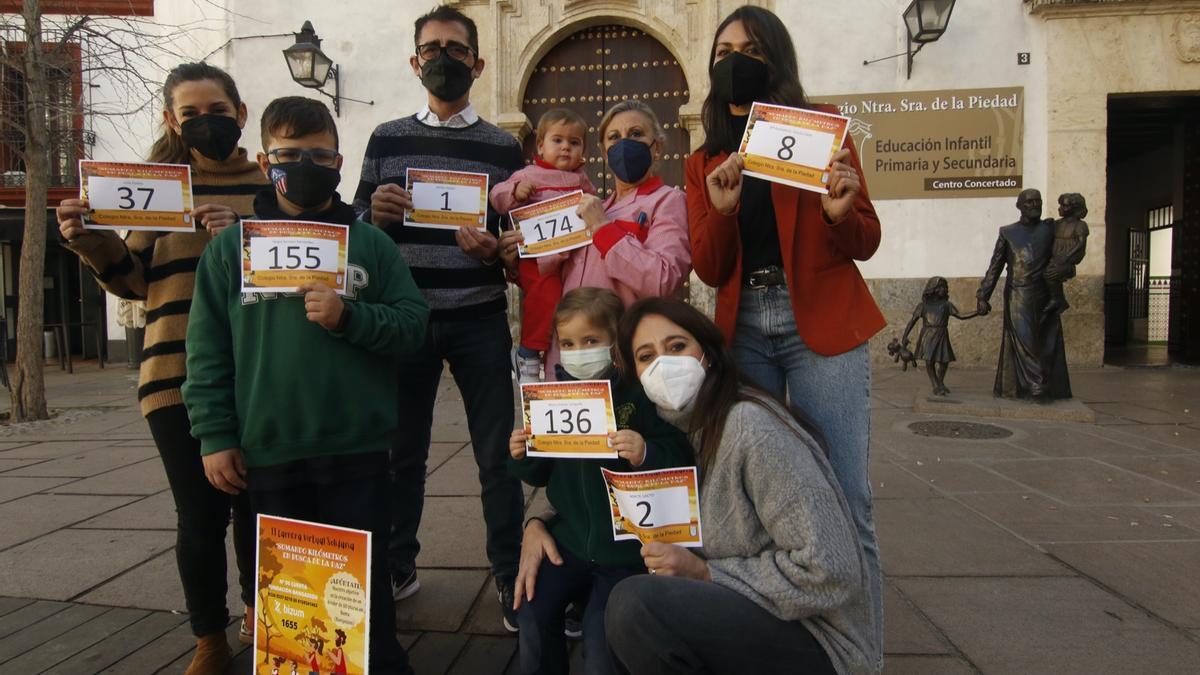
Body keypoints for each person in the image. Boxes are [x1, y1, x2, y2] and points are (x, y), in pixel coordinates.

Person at [183, 96, 429, 673]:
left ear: (340, 162)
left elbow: (414, 326)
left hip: (357, 450)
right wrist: (215, 434)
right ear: (266, 159)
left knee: (359, 589)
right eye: (290, 154)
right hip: (269, 453)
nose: (304, 164)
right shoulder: (228, 250)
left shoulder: (371, 245)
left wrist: (353, 318)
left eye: (318, 154)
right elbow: (207, 351)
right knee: (288, 598)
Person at [55, 62, 266, 675]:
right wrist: (88, 238)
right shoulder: (159, 189)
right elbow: (133, 279)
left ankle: (264, 615)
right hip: (173, 372)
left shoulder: (269, 184)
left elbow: (293, 265)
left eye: (218, 112)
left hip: (257, 373)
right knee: (199, 514)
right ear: (173, 121)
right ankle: (208, 636)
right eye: (191, 114)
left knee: (259, 506)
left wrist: (243, 234)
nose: (206, 123)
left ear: (240, 114)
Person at [685, 6, 885, 652]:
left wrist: (839, 211)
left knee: (847, 494)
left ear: (776, 60)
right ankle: (772, 643)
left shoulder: (821, 131)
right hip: (742, 329)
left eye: (749, 48)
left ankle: (862, 653)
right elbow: (709, 265)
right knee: (753, 494)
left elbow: (866, 239)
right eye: (722, 51)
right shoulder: (705, 158)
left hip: (821, 326)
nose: (734, 60)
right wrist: (718, 211)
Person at [351, 4, 528, 629]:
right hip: (404, 321)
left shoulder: (505, 147)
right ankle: (398, 563)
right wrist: (376, 214)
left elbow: (520, 242)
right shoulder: (386, 138)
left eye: (455, 49)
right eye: (432, 48)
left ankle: (510, 576)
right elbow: (354, 232)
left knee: (497, 456)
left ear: (478, 64)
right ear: (413, 61)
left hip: (479, 317)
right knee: (401, 453)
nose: (443, 59)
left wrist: (499, 247)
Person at [587, 297, 878, 674]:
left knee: (634, 606)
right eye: (645, 357)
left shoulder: (748, 427)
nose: (663, 364)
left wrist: (706, 574)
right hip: (746, 616)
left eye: (676, 347)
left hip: (817, 639)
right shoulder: (665, 437)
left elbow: (831, 570)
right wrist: (538, 524)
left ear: (706, 352)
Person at [508, 288, 692, 675]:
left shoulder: (642, 395)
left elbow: (680, 454)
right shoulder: (551, 400)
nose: (578, 351)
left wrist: (646, 452)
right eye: (569, 343)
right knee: (531, 612)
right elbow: (541, 474)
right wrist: (523, 456)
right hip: (570, 542)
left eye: (591, 341)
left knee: (602, 644)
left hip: (627, 554)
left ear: (615, 343)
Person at [499, 100, 691, 379]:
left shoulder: (667, 201)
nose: (625, 143)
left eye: (636, 134)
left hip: (623, 359)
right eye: (614, 137)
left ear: (657, 147)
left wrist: (602, 228)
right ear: (603, 151)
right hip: (565, 358)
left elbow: (663, 280)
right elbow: (556, 275)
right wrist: (516, 262)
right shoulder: (587, 207)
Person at [491, 108, 598, 382]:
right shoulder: (528, 175)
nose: (566, 147)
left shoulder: (582, 180)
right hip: (537, 260)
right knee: (545, 300)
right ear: (540, 145)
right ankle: (527, 354)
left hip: (571, 257)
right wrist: (515, 192)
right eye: (558, 140)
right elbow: (497, 196)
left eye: (574, 143)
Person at [975, 189, 1072, 400]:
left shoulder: (1050, 229)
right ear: (1019, 206)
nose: (1034, 204)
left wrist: (1065, 269)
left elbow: (1066, 255)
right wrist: (983, 295)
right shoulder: (1007, 232)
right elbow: (995, 267)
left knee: (1047, 341)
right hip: (1018, 294)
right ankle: (1037, 384)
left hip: (1046, 292)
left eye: (1038, 201)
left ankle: (1048, 384)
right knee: (1024, 338)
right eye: (1029, 202)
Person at [901, 277, 977, 396]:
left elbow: (961, 316)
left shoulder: (947, 305)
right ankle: (935, 384)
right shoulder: (923, 306)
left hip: (941, 334)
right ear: (934, 289)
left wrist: (977, 312)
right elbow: (912, 321)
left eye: (945, 287)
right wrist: (905, 336)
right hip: (928, 335)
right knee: (929, 360)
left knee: (944, 361)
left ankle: (940, 382)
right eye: (941, 287)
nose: (944, 289)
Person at [1044, 193, 1089, 315]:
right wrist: (1046, 224)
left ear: (1074, 208)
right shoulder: (1057, 224)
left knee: (1050, 273)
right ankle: (1058, 299)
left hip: (1067, 259)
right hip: (1055, 257)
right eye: (1061, 205)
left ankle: (1058, 299)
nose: (1061, 208)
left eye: (1065, 206)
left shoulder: (1080, 225)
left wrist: (1067, 257)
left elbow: (1080, 243)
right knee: (1045, 272)